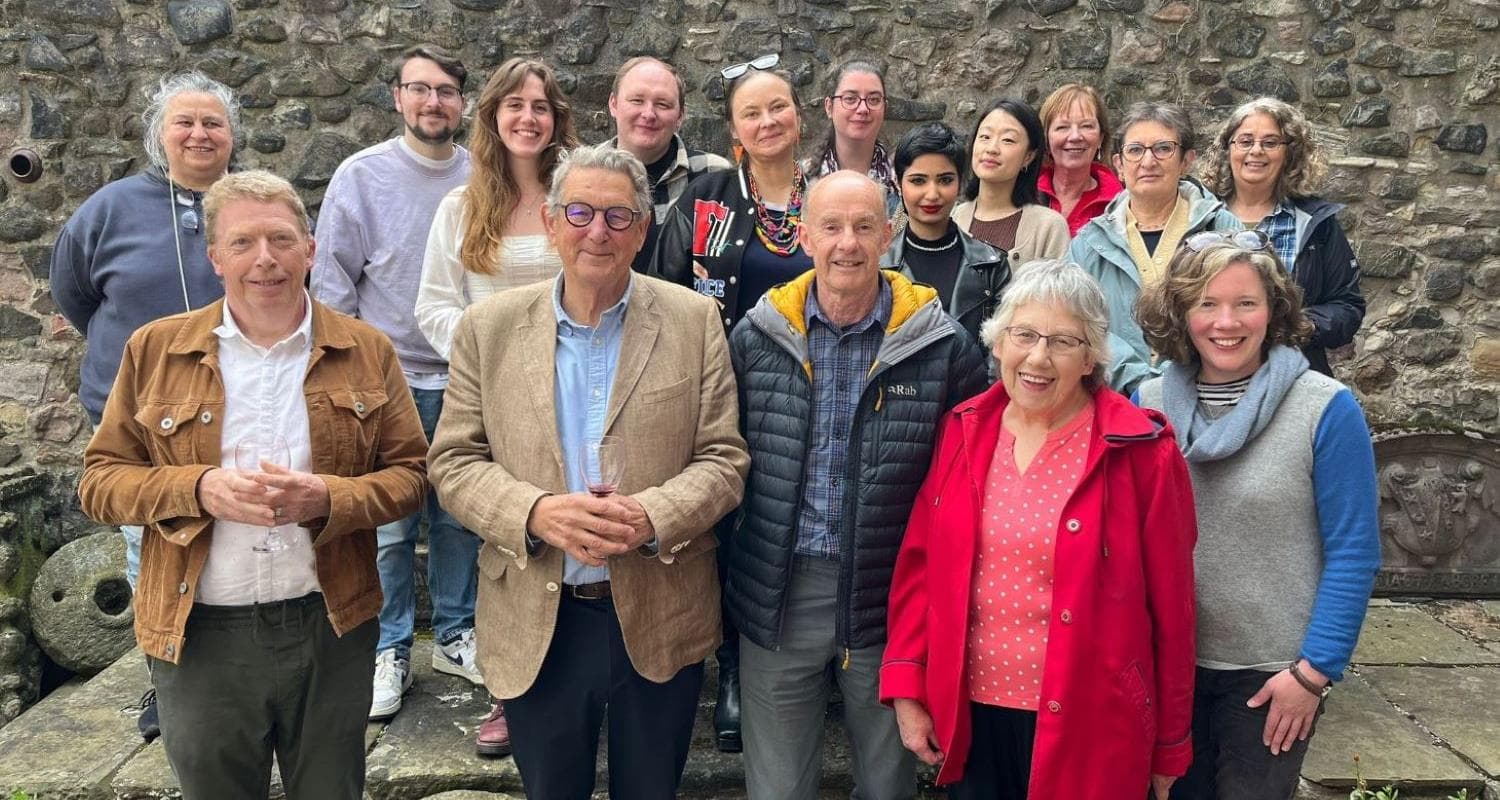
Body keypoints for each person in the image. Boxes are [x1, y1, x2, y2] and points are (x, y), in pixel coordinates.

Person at [77, 169, 428, 800]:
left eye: (281, 239)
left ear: (310, 249)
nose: (264, 259)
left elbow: (412, 478)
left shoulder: (367, 350)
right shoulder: (154, 349)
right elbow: (101, 483)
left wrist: (328, 499)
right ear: (214, 257)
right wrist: (198, 488)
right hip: (202, 633)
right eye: (242, 243)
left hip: (332, 625)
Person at [428, 142, 750, 800]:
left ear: (642, 229)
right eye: (578, 213)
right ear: (549, 223)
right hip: (537, 615)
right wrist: (535, 512)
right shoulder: (486, 329)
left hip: (659, 609)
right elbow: (453, 462)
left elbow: (724, 459)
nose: (596, 231)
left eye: (617, 216)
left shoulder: (693, 322)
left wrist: (651, 515)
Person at [881, 259, 1199, 800]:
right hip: (974, 713)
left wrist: (1170, 742)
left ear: (1093, 356)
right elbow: (921, 567)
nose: (1038, 357)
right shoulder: (962, 432)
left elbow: (1174, 611)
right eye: (1023, 335)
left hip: (1094, 725)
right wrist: (908, 687)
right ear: (998, 341)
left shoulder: (1143, 452)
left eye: (1063, 341)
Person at [727, 171, 989, 800]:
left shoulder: (941, 346)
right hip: (780, 592)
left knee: (887, 784)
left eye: (864, 226)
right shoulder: (755, 338)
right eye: (832, 227)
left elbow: (971, 476)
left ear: (888, 234)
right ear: (805, 236)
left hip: (888, 597)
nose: (848, 243)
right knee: (777, 788)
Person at [1134, 232, 1380, 800]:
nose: (1227, 321)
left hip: (1273, 676)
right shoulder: (1146, 405)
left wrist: (1313, 675)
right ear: (1180, 313)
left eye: (1246, 303)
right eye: (1207, 304)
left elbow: (1355, 552)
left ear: (1274, 311)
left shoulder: (1324, 409)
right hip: (1164, 667)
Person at [50, 69, 239, 742]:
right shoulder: (110, 208)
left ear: (232, 136)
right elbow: (73, 293)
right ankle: (170, 683)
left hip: (234, 407)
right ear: (160, 134)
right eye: (184, 121)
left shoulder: (246, 203)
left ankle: (236, 677)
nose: (198, 133)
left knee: (230, 546)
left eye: (213, 122)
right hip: (136, 417)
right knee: (151, 553)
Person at [309, 45, 482, 727]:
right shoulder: (362, 176)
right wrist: (354, 372)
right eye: (420, 89)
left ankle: (455, 634)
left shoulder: (481, 175)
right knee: (386, 524)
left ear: (463, 103)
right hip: (387, 380)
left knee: (461, 517)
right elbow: (332, 285)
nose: (433, 102)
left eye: (446, 90)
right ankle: (388, 648)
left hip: (466, 372)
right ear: (396, 97)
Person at [1068, 102, 1241, 395]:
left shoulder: (1222, 228)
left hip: (1208, 391)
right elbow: (1075, 321)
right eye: (1135, 150)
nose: (1148, 161)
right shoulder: (1089, 242)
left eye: (1163, 148)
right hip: (1115, 396)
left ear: (1187, 160)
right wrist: (1138, 380)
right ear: (1119, 165)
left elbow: (1243, 309)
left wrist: (1176, 376)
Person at [416, 57, 579, 362]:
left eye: (540, 107)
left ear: (556, 120)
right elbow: (434, 306)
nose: (528, 118)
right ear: (494, 116)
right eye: (515, 105)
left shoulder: (578, 204)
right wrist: (488, 355)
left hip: (570, 372)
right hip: (490, 374)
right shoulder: (461, 207)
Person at [1199, 97, 1366, 376]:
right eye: (1245, 141)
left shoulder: (1315, 224)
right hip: (1209, 373)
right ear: (1227, 149)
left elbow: (1347, 306)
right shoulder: (1200, 216)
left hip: (1292, 375)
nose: (1256, 151)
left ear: (1289, 153)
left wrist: (1300, 325)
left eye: (1270, 142)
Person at [652, 55, 813, 331]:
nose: (768, 121)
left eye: (778, 107)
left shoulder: (825, 197)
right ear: (734, 130)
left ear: (798, 116)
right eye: (751, 114)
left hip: (813, 368)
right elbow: (660, 292)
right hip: (722, 368)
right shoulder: (705, 198)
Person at [881, 121, 1010, 343]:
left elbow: (1002, 347)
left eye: (945, 180)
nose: (932, 194)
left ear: (960, 184)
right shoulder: (878, 267)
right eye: (918, 181)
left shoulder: (992, 265)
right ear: (899, 183)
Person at [604, 56, 732, 273]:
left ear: (680, 115)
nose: (648, 114)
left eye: (662, 104)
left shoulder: (715, 175)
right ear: (613, 104)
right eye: (637, 100)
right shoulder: (581, 174)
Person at [953, 98, 1070, 268]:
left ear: (1028, 156)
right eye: (985, 136)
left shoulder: (1049, 228)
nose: (992, 148)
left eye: (1008, 140)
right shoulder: (954, 217)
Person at [806, 60, 901, 218]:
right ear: (829, 107)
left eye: (874, 100)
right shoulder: (803, 179)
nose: (863, 109)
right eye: (850, 99)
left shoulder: (901, 181)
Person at [1036, 84, 1122, 236]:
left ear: (1101, 138)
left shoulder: (1119, 206)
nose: (1075, 136)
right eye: (1062, 127)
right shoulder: (1024, 193)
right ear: (1046, 139)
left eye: (1086, 126)